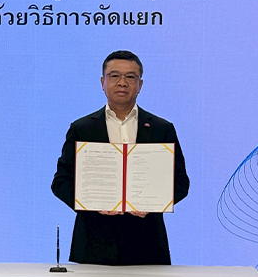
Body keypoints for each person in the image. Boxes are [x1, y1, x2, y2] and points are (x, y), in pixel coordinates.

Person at [51, 51, 189, 265]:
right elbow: (61, 182)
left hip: (147, 243)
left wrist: (154, 204)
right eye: (114, 76)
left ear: (140, 84)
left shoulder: (162, 129)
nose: (122, 82)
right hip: (93, 243)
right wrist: (90, 204)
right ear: (103, 82)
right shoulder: (82, 129)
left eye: (130, 77)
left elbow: (180, 183)